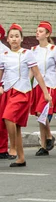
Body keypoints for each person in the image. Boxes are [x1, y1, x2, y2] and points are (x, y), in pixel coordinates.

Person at [0, 24, 52, 167]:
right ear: (8, 40)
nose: (14, 39)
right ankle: (21, 158)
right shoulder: (4, 55)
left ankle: (13, 148)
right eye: (11, 37)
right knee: (15, 126)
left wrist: (46, 93)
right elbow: (1, 74)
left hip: (22, 92)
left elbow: (36, 73)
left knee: (8, 117)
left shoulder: (27, 53)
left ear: (21, 39)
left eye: (17, 36)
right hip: (8, 92)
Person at [30, 21, 56, 156]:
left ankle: (49, 136)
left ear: (47, 34)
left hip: (51, 84)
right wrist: (26, 84)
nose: (37, 33)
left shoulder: (54, 49)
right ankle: (44, 145)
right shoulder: (33, 50)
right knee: (40, 115)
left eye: (41, 31)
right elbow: (32, 70)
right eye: (37, 30)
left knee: (43, 113)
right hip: (37, 85)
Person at [0, 23, 10, 159]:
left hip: (2, 86)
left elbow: (6, 70)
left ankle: (2, 149)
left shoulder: (4, 50)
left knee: (2, 119)